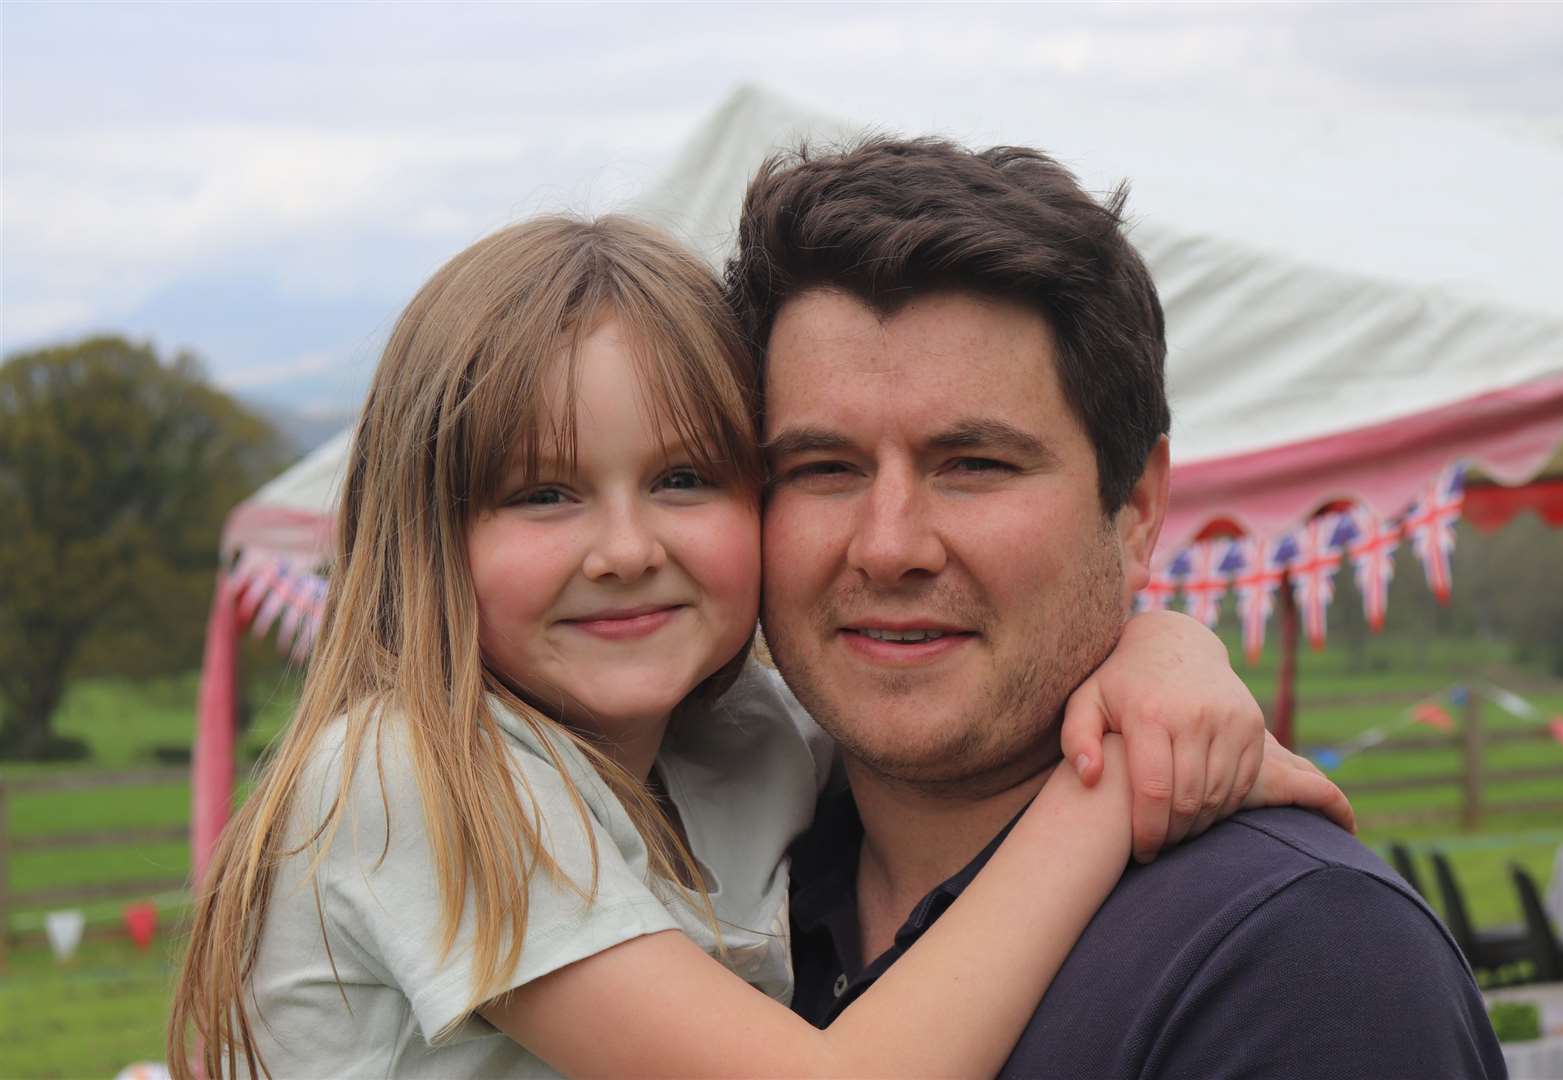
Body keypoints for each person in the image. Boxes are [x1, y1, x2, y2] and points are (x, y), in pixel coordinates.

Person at [167, 215, 1346, 1079]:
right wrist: (1116, 783)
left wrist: (1162, 649)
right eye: (541, 494)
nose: (625, 548)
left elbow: (941, 732)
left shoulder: (749, 743)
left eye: (685, 479)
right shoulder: (412, 777)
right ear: (425, 528)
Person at [725, 137, 1509, 1079]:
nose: (891, 546)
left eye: (974, 465)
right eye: (821, 469)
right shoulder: (705, 884)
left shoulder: (1299, 958)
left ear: (1137, 508)